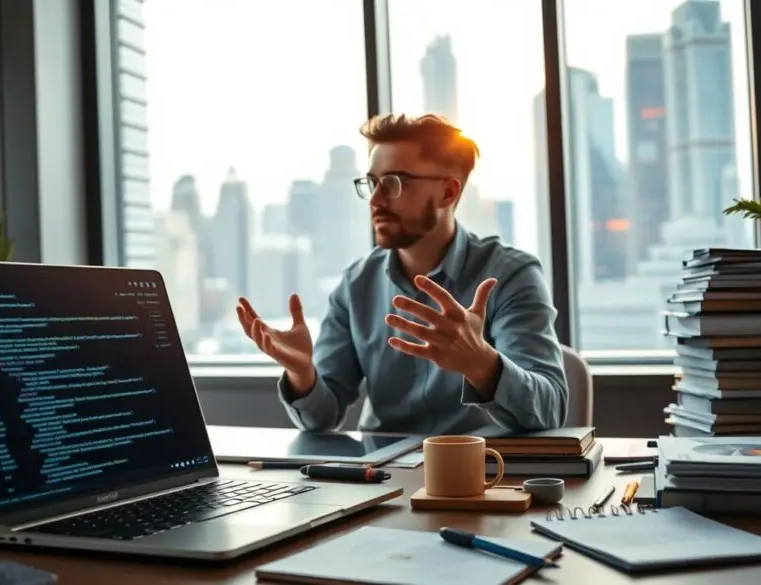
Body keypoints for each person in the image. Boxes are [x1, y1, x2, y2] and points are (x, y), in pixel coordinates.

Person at [235, 113, 568, 434]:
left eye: (395, 183)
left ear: (448, 192)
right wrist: (302, 374)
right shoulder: (355, 285)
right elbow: (323, 418)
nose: (376, 199)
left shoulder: (511, 276)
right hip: (382, 480)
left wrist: (482, 364)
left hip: (482, 477)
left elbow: (550, 409)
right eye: (372, 183)